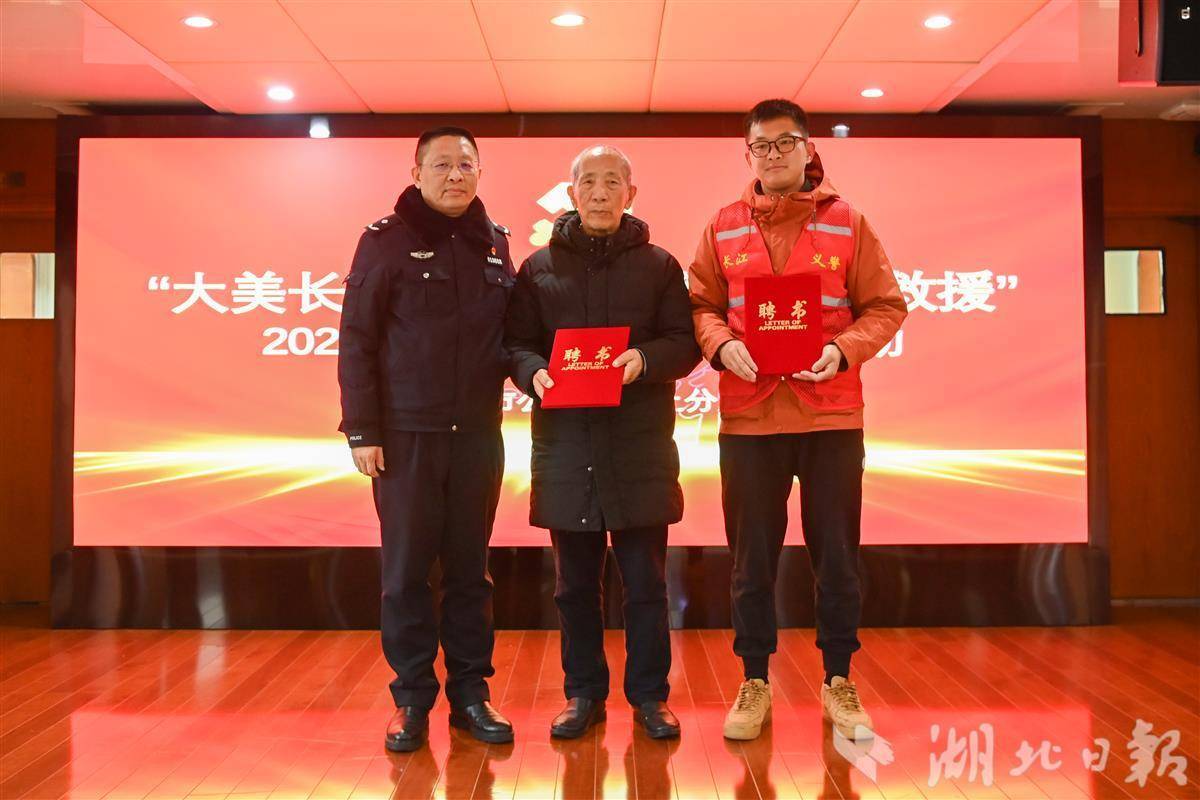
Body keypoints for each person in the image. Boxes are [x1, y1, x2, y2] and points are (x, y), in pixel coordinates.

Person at [688, 99, 908, 741]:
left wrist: (842, 350)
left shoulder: (848, 222)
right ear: (748, 154)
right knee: (750, 561)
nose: (774, 154)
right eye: (762, 145)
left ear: (808, 148)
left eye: (786, 142)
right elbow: (699, 304)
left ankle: (839, 679)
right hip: (750, 418)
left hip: (829, 417)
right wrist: (720, 344)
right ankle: (754, 679)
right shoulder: (723, 226)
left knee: (836, 558)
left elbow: (886, 306)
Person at [505, 145, 700, 740]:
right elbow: (515, 344)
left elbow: (685, 343)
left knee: (646, 585)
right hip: (567, 447)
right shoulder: (538, 268)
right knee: (574, 588)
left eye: (612, 182)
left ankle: (649, 696)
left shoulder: (660, 266)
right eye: (588, 182)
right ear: (571, 194)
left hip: (638, 448)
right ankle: (583, 694)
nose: (599, 192)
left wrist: (643, 359)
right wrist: (533, 372)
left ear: (630, 195)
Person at [337, 126, 516, 752]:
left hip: (478, 436)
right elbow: (357, 339)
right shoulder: (384, 242)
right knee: (407, 573)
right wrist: (362, 428)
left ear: (479, 171)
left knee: (471, 572)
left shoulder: (495, 243)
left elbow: (510, 338)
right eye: (441, 165)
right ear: (416, 173)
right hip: (405, 436)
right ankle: (412, 699)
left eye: (466, 164)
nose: (455, 175)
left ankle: (472, 694)